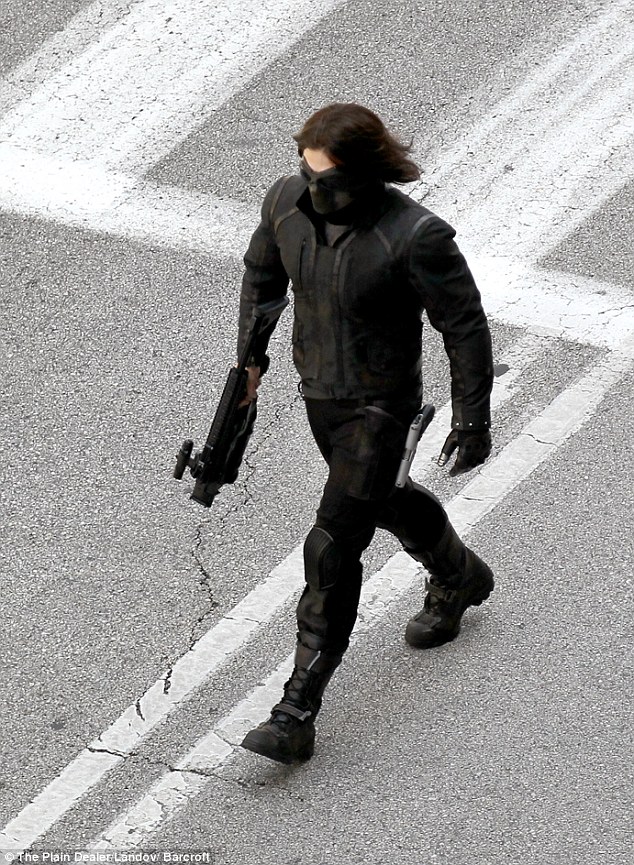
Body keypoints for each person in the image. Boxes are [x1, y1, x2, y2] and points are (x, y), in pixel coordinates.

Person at [236, 103, 494, 765]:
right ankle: (458, 574)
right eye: (305, 171)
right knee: (381, 501)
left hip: (381, 408)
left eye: (323, 178)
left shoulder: (415, 235)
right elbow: (262, 278)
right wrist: (250, 362)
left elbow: (463, 325)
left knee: (332, 544)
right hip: (321, 396)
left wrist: (472, 417)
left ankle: (296, 711)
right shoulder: (287, 203)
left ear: (361, 172)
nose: (309, 188)